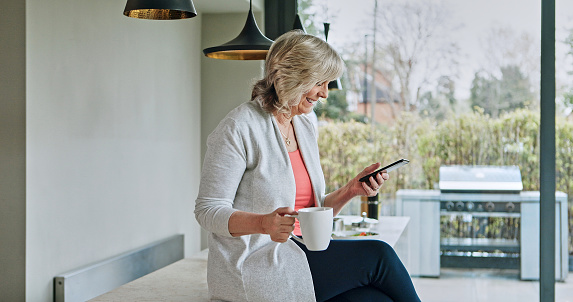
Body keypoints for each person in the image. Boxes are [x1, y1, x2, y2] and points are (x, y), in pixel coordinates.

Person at [195, 30, 421, 302]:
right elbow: (207, 211)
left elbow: (308, 213)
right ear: (294, 75)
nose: (325, 93)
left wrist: (350, 190)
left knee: (374, 299)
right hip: (257, 264)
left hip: (302, 252)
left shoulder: (304, 124)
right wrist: (264, 223)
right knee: (379, 255)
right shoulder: (239, 127)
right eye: (320, 82)